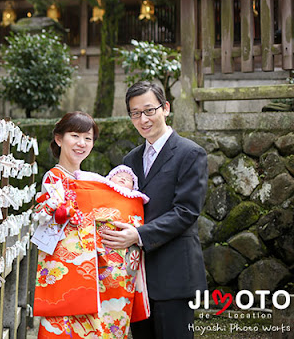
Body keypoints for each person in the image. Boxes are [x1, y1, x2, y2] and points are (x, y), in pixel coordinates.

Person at [100, 81, 208, 339]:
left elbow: (186, 211)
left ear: (166, 108)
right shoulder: (130, 160)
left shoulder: (190, 153)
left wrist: (138, 235)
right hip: (136, 278)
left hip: (174, 274)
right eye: (135, 113)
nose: (143, 119)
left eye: (149, 110)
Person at [33, 112, 149, 338]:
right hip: (70, 269)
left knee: (104, 327)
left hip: (103, 270)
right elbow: (47, 215)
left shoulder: (91, 179)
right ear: (59, 139)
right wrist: (61, 212)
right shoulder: (54, 177)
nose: (81, 143)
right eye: (74, 136)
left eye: (88, 138)